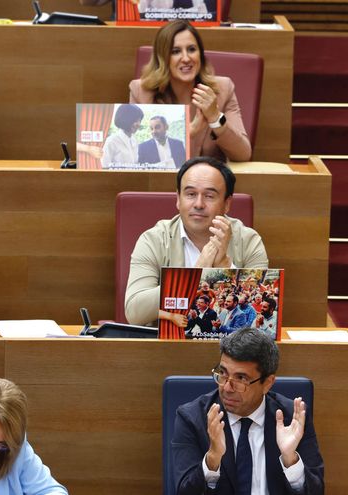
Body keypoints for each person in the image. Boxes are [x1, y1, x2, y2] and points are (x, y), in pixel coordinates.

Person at [171, 328, 324, 494]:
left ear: (267, 383)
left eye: (241, 378)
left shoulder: (292, 419)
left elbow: (317, 491)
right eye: (223, 373)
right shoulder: (193, 418)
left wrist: (290, 459)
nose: (227, 388)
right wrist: (212, 459)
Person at [125, 156, 268, 326]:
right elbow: (134, 312)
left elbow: (257, 316)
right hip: (165, 348)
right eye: (191, 194)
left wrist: (225, 266)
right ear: (178, 198)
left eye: (209, 196)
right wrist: (192, 274)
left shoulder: (249, 241)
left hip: (234, 349)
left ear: (227, 203)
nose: (198, 204)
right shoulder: (154, 239)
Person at [129, 20, 251, 162]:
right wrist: (189, 133)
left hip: (210, 181)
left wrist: (215, 118)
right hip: (161, 182)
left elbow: (243, 154)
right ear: (162, 58)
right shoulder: (141, 91)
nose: (186, 58)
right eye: (175, 51)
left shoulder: (222, 89)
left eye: (192, 49)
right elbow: (137, 160)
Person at [101, 104, 143, 168]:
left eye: (139, 120)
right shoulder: (111, 141)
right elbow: (104, 167)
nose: (139, 124)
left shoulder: (134, 140)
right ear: (125, 119)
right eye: (135, 120)